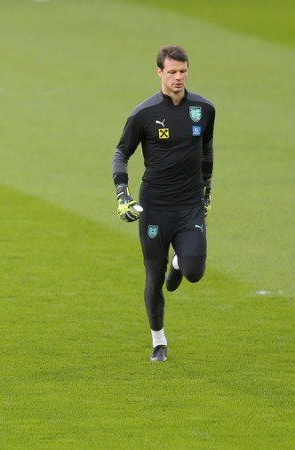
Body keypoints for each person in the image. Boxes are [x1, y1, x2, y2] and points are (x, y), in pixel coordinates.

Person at [111, 45, 215, 362]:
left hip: (189, 204)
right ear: (160, 73)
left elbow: (206, 149)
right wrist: (122, 194)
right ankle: (159, 342)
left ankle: (179, 264)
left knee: (194, 270)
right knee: (154, 278)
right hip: (155, 205)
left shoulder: (204, 109)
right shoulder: (143, 114)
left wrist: (207, 189)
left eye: (183, 71)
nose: (178, 77)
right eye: (172, 71)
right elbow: (121, 153)